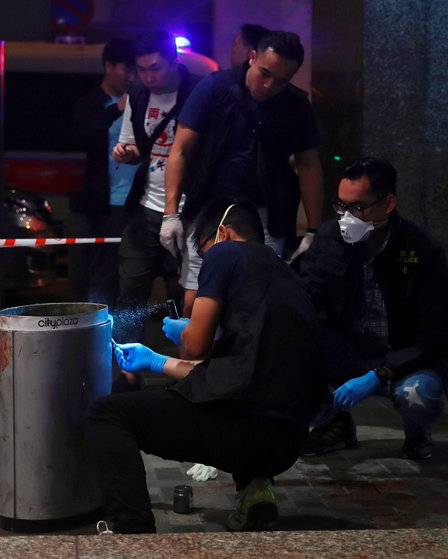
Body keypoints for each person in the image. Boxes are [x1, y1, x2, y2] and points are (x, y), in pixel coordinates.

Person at [87, 200, 327, 534]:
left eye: (202, 253)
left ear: (224, 233)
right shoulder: (284, 276)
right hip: (287, 442)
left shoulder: (225, 253)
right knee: (224, 395)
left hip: (244, 427)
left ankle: (131, 531)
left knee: (106, 413)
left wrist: (186, 329)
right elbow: (229, 373)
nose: (203, 265)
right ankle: (255, 487)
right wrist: (153, 360)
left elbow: (196, 347)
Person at [294, 158, 448, 460]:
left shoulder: (421, 250)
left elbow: (434, 334)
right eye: (341, 206)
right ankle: (334, 424)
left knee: (418, 395)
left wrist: (380, 373)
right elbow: (305, 298)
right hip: (351, 350)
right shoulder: (330, 239)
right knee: (288, 341)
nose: (347, 217)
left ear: (388, 203)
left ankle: (417, 432)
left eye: (358, 208)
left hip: (405, 358)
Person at [162, 30, 323, 316]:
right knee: (195, 298)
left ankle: (245, 359)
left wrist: (313, 229)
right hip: (208, 205)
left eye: (281, 80)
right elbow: (180, 150)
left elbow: (309, 164)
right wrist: (171, 213)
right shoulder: (214, 87)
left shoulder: (296, 104)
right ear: (252, 57)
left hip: (265, 210)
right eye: (265, 72)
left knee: (259, 298)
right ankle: (192, 360)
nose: (269, 84)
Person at [111, 30, 198, 350]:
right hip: (146, 205)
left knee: (185, 292)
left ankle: (188, 362)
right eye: (142, 69)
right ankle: (126, 368)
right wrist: (126, 153)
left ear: (175, 61)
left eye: (156, 68)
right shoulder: (138, 94)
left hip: (190, 207)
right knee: (130, 288)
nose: (148, 76)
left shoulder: (198, 91)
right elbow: (133, 145)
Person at [67, 38, 137, 307]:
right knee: (95, 273)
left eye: (136, 71)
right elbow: (81, 133)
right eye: (127, 70)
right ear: (109, 66)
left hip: (134, 202)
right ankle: (90, 335)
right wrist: (117, 109)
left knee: (127, 276)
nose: (132, 77)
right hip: (101, 203)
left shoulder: (141, 101)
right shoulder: (90, 101)